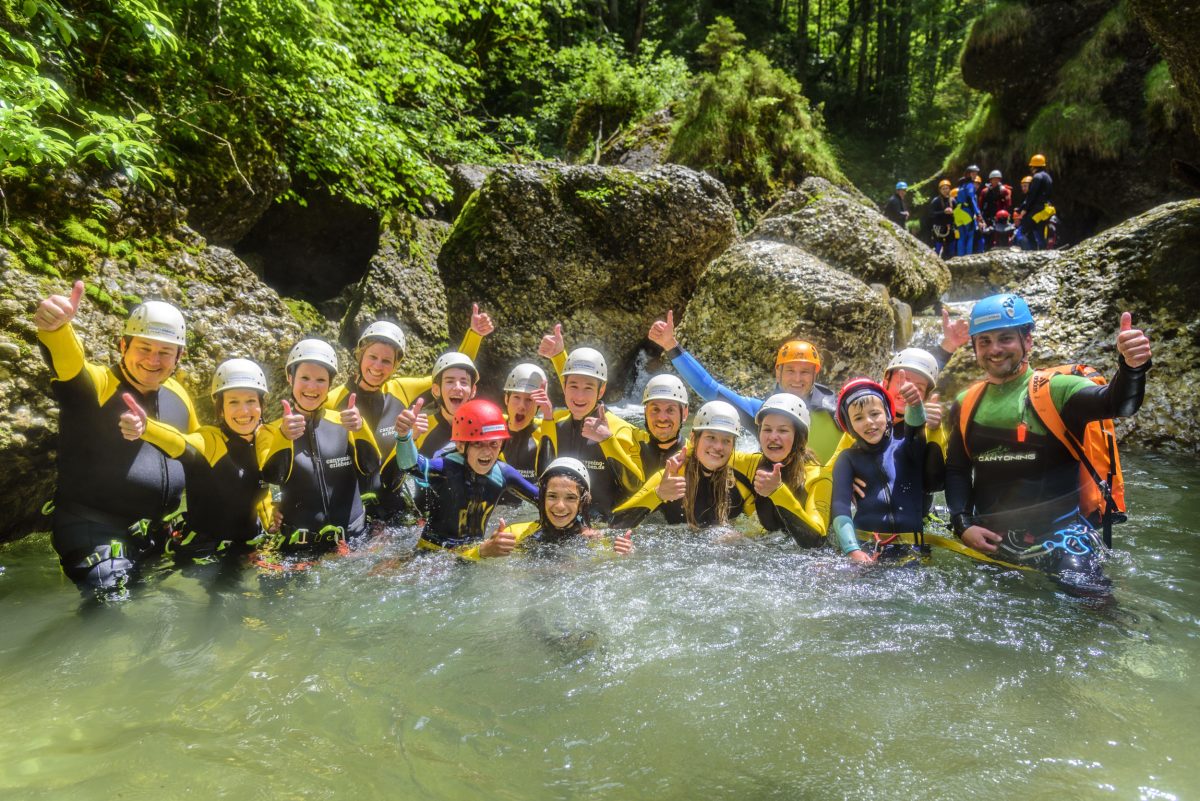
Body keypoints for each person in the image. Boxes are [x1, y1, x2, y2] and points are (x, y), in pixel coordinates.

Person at [944, 293, 1152, 595]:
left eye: (1005, 338)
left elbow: (1117, 403)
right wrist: (962, 525)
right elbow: (957, 470)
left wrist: (1133, 368)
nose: (995, 350)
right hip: (991, 541)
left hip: (1062, 542)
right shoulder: (965, 403)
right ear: (974, 346)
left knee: (1095, 613)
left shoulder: (1056, 390)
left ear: (1027, 340)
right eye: (984, 341)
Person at [34, 281, 198, 593]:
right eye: (144, 348)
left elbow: (201, 455)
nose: (153, 360)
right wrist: (56, 331)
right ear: (123, 346)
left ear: (179, 356)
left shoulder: (179, 396)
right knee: (114, 602)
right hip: (94, 531)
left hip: (153, 533)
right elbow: (69, 365)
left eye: (165, 352)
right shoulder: (98, 386)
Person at [326, 306, 491, 518]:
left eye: (387, 361)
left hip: (392, 505)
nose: (378, 366)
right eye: (372, 357)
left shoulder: (402, 390)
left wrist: (475, 335)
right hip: (348, 508)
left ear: (395, 365)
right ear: (360, 355)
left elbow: (453, 375)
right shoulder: (332, 400)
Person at [119, 359, 273, 565]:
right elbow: (179, 442)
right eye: (233, 402)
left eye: (251, 401)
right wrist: (146, 428)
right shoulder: (209, 441)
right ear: (220, 409)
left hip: (249, 547)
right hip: (205, 554)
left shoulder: (265, 441)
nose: (244, 411)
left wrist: (273, 520)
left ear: (262, 405)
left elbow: (262, 492)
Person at [611, 401, 825, 545]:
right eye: (711, 437)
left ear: (733, 446)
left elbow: (809, 540)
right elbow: (614, 524)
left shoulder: (745, 476)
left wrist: (742, 540)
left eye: (726, 441)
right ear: (694, 440)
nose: (718, 447)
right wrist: (658, 493)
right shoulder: (672, 476)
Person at [647, 310, 842, 465]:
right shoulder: (761, 413)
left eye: (805, 372)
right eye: (790, 370)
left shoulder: (837, 411)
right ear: (778, 373)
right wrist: (670, 345)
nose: (797, 379)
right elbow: (709, 389)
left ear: (815, 375)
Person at [257, 339, 381, 557]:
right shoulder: (270, 431)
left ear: (330, 384)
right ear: (289, 378)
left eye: (321, 380)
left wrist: (361, 428)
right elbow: (272, 476)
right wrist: (284, 436)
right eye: (304, 378)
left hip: (354, 543)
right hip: (301, 550)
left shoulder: (347, 422)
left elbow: (371, 466)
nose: (312, 387)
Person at [391, 397, 539, 559]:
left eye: (494, 444)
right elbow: (410, 465)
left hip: (473, 551)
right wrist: (404, 436)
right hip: (433, 554)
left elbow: (542, 499)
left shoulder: (504, 473)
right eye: (478, 444)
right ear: (461, 445)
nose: (487, 452)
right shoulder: (446, 468)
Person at [534, 346, 644, 522]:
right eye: (574, 386)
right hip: (560, 523)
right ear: (564, 386)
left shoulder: (619, 429)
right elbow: (542, 480)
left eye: (588, 388)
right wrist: (547, 418)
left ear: (601, 390)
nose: (579, 396)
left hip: (601, 530)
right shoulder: (553, 424)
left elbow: (635, 487)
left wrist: (607, 440)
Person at [830, 375, 929, 563]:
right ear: (850, 427)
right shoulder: (848, 459)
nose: (868, 421)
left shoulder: (905, 449)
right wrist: (853, 550)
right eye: (858, 418)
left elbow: (916, 429)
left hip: (913, 549)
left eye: (875, 413)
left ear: (888, 415)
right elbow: (840, 507)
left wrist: (915, 405)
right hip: (867, 548)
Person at [504, 458, 634, 557]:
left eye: (570, 498)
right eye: (552, 496)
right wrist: (485, 551)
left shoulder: (595, 540)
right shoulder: (512, 534)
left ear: (582, 502)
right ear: (542, 498)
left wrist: (623, 555)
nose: (560, 506)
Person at [413, 350, 482, 457]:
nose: (457, 388)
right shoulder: (420, 427)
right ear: (436, 390)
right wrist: (409, 438)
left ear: (473, 391)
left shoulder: (484, 426)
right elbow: (395, 470)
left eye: (464, 382)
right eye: (450, 381)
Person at [500, 363, 553, 481]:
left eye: (529, 400)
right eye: (516, 397)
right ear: (506, 399)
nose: (521, 406)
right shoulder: (493, 424)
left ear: (538, 405)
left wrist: (548, 416)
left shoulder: (545, 432)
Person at [635, 374, 690, 477]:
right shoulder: (630, 447)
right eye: (655, 409)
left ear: (684, 414)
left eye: (670, 410)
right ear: (645, 412)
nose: (662, 418)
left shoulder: (694, 458)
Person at [1016, 154, 1053, 251]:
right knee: (1038, 231)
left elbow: (1032, 195)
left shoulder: (1037, 177)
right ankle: (1042, 251)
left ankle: (1028, 252)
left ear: (1033, 166)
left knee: (1022, 231)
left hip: (1037, 209)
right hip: (1045, 210)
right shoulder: (1048, 177)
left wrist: (1025, 209)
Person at [954, 164, 983, 257]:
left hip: (957, 212)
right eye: (973, 173)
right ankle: (968, 257)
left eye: (976, 173)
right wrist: (978, 213)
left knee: (961, 236)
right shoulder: (970, 185)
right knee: (970, 235)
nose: (975, 175)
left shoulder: (962, 185)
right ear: (968, 174)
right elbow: (971, 199)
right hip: (966, 212)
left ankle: (960, 257)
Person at [928, 179, 955, 259]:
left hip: (950, 227)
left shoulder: (953, 200)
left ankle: (951, 260)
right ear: (940, 190)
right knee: (938, 247)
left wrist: (952, 212)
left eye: (947, 188)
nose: (945, 190)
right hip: (939, 227)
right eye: (943, 189)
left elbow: (957, 212)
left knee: (951, 246)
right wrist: (943, 212)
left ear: (949, 189)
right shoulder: (936, 201)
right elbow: (931, 214)